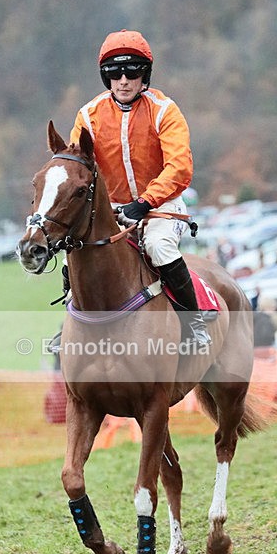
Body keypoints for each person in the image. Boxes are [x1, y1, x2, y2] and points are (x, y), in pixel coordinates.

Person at [68, 29, 211, 347]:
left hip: (162, 207)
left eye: (131, 71)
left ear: (144, 74)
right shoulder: (88, 117)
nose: (123, 80)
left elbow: (179, 167)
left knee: (159, 246)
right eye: (114, 73)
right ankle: (70, 328)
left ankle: (194, 321)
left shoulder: (165, 111)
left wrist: (145, 202)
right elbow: (77, 167)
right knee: (72, 257)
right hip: (114, 212)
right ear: (106, 77)